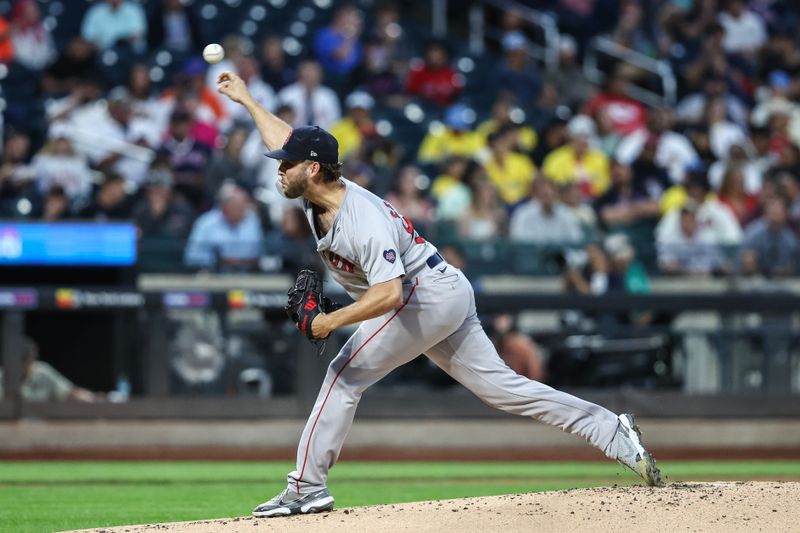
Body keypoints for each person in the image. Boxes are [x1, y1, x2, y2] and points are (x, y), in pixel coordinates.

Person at [216, 69, 662, 517]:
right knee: (502, 389)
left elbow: (389, 295)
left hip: (420, 294)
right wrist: (248, 100)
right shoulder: (318, 192)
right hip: (440, 289)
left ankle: (306, 487)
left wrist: (329, 322)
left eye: (286, 164)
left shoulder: (361, 219)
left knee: (342, 374)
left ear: (312, 169)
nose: (279, 169)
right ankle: (610, 430)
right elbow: (290, 138)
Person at [183, 182, 264, 272]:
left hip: (247, 275)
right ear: (226, 207)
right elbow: (191, 256)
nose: (244, 210)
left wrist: (239, 261)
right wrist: (218, 259)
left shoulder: (252, 220)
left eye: (244, 205)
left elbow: (260, 252)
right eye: (238, 206)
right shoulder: (205, 223)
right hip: (213, 274)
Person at [0, 338, 101, 402]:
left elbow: (70, 392)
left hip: (39, 427)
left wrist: (95, 399)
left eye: (28, 360)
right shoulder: (2, 376)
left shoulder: (42, 372)